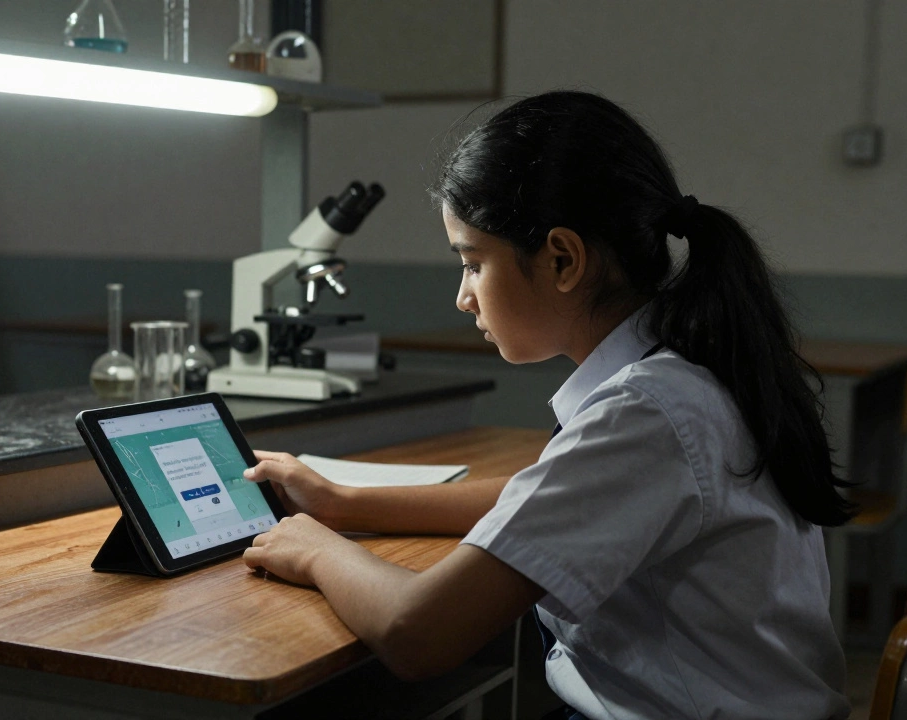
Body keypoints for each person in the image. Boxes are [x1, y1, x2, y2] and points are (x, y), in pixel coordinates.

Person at [241, 91, 853, 720]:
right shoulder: (689, 376)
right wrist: (345, 502)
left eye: (473, 262)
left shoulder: (647, 414)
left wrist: (316, 548)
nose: (463, 297)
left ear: (563, 259)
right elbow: (547, 496)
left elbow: (417, 633)